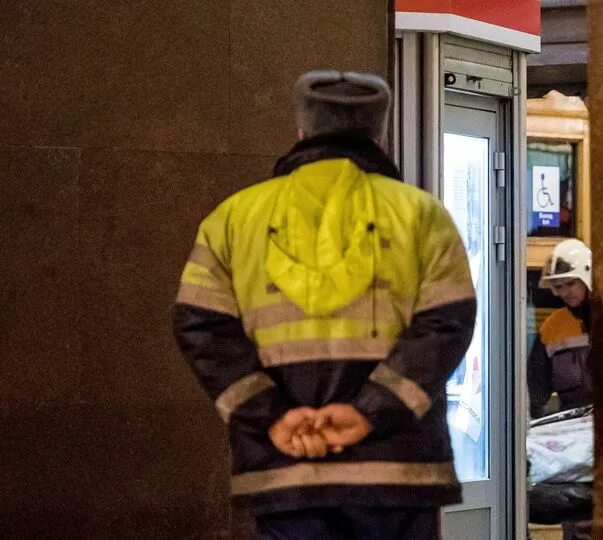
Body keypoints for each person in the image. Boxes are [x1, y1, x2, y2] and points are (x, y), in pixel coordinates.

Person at [172, 70, 476, 540]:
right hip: (397, 470)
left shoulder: (233, 217)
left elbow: (201, 327)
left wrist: (273, 417)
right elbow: (447, 323)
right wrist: (370, 412)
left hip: (284, 467)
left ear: (301, 131)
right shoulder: (421, 214)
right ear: (380, 135)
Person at [527, 239, 593, 419]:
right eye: (558, 287)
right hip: (571, 429)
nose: (565, 292)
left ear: (587, 278)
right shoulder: (552, 328)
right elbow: (535, 391)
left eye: (570, 284)